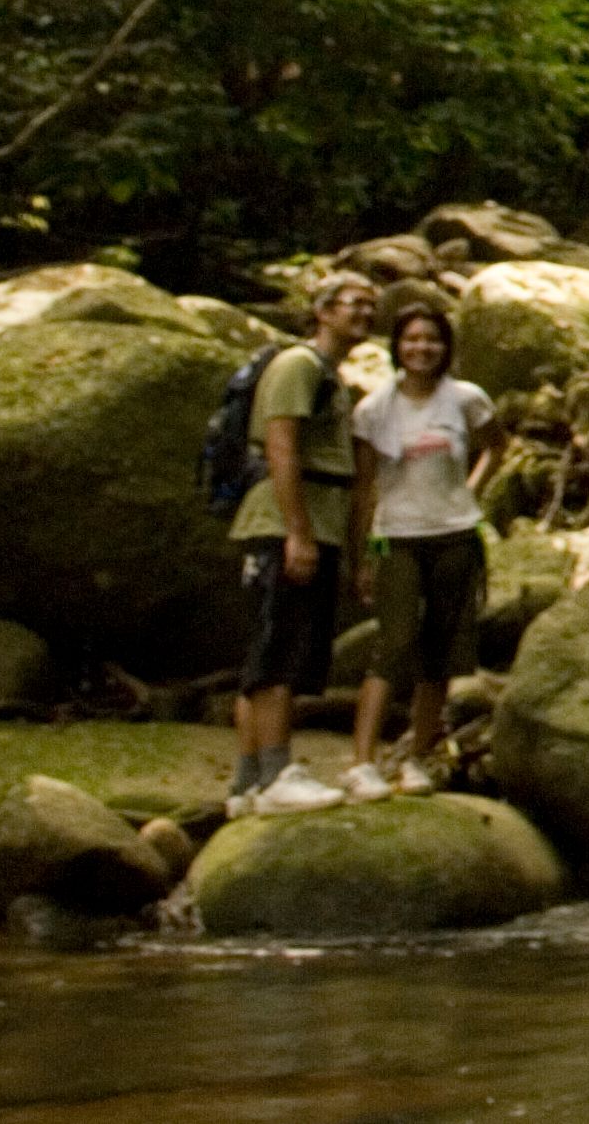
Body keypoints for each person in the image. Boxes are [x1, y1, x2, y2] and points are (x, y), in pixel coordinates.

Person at [229, 269, 380, 816]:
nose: (365, 313)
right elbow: (281, 446)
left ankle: (247, 785)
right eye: (353, 303)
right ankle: (276, 775)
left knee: (274, 649)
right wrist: (298, 531)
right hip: (286, 523)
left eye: (371, 305)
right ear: (323, 310)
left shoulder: (329, 376)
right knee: (278, 651)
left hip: (313, 521)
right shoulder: (299, 365)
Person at [343, 298, 500, 799]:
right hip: (398, 538)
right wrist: (363, 555)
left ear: (445, 347)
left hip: (455, 536)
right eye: (411, 339)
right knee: (393, 647)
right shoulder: (374, 408)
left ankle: (417, 759)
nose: (422, 348)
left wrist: (472, 491)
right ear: (397, 346)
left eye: (431, 339)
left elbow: (496, 445)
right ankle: (362, 764)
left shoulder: (466, 398)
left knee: (440, 652)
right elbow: (364, 487)